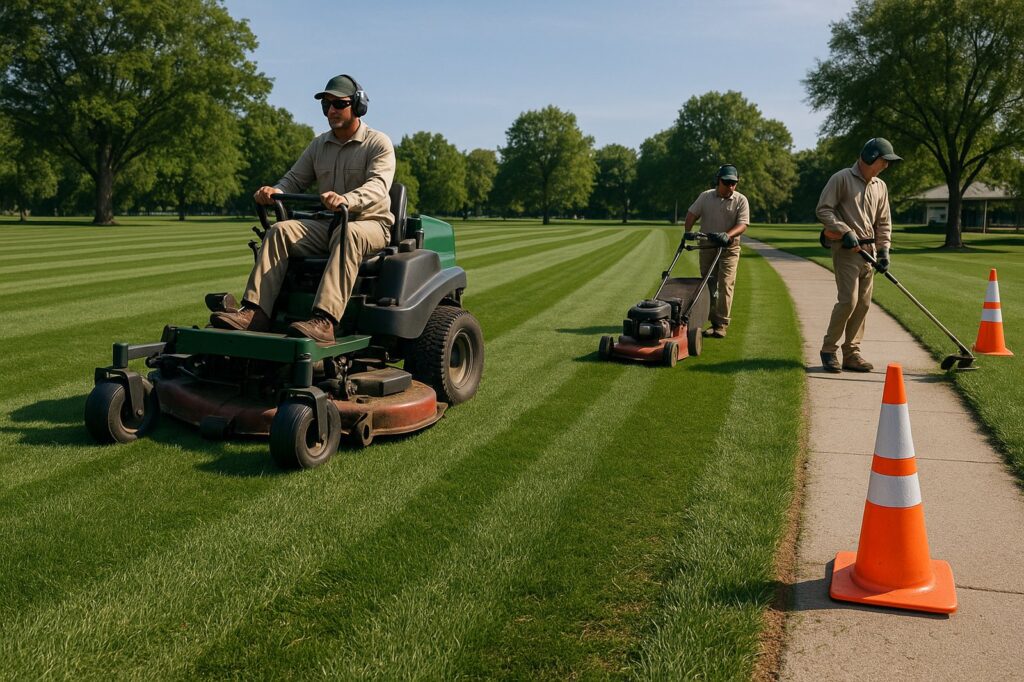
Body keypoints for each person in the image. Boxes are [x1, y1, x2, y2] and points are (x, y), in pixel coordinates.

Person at [210, 74, 396, 343]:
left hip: (371, 224)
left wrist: (347, 200)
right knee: (280, 231)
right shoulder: (319, 144)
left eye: (339, 104)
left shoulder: (378, 143)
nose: (331, 110)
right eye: (326, 105)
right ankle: (255, 312)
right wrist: (275, 192)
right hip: (329, 223)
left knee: (349, 233)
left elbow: (378, 186)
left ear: (357, 105)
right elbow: (293, 179)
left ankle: (325, 321)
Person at [816, 137, 901, 373]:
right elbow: (823, 210)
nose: (886, 166)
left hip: (870, 252)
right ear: (871, 157)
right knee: (848, 301)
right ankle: (828, 349)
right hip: (846, 251)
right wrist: (844, 231)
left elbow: (884, 222)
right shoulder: (841, 178)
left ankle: (852, 353)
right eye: (884, 161)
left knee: (863, 304)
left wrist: (883, 251)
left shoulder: (879, 186)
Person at [682, 164, 750, 338]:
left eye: (733, 183)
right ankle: (711, 321)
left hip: (729, 248)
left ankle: (721, 325)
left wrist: (727, 235)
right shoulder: (705, 196)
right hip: (707, 246)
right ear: (718, 181)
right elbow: (691, 214)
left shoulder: (741, 200)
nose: (730, 186)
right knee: (708, 284)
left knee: (726, 284)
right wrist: (687, 232)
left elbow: (743, 224)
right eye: (726, 182)